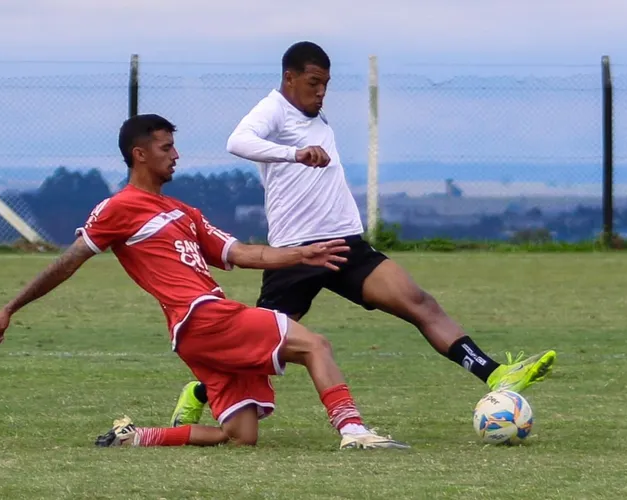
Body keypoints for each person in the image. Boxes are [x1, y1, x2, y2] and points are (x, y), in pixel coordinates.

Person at [169, 41, 557, 428]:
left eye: (326, 84)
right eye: (313, 82)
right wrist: (295, 153)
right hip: (298, 255)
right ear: (290, 78)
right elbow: (237, 142)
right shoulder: (274, 108)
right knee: (261, 350)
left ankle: (493, 374)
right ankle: (200, 390)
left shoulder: (316, 117)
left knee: (419, 302)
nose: (321, 92)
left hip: (346, 245)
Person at [0, 113, 408, 450]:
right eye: (166, 147)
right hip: (203, 317)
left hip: (194, 332)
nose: (176, 155)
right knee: (316, 345)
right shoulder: (119, 208)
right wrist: (10, 308)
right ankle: (353, 431)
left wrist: (301, 253)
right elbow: (68, 263)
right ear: (140, 154)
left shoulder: (185, 213)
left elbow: (244, 254)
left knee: (241, 435)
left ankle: (136, 436)